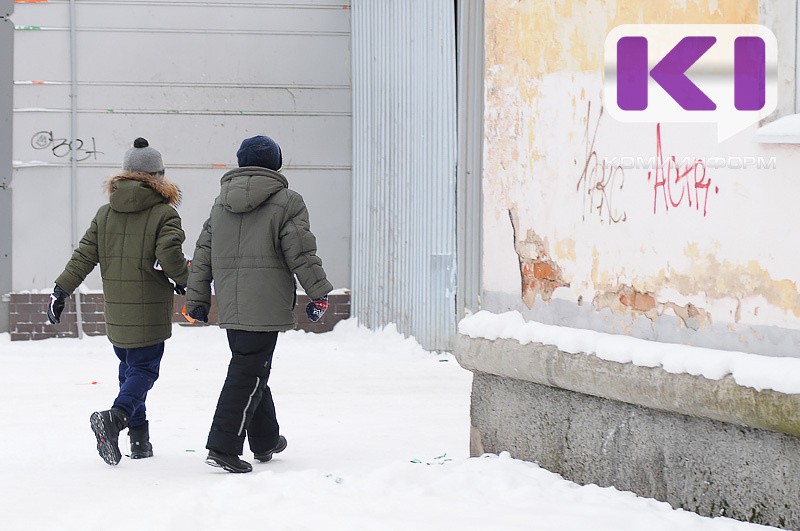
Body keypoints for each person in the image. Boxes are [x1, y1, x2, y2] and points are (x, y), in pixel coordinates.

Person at [185, 134, 332, 473]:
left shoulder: (221, 203)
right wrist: (319, 293)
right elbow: (301, 251)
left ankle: (266, 439)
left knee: (250, 367)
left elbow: (202, 254)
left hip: (233, 304)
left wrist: (197, 300)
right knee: (248, 372)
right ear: (276, 163)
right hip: (265, 302)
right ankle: (223, 446)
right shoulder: (287, 201)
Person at [47, 137, 189, 466]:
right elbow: (170, 254)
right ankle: (118, 416)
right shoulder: (163, 213)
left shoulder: (105, 213)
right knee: (144, 371)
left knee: (129, 371)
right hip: (149, 312)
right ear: (159, 176)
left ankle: (140, 442)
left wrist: (61, 290)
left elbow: (84, 256)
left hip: (117, 314)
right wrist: (185, 282)